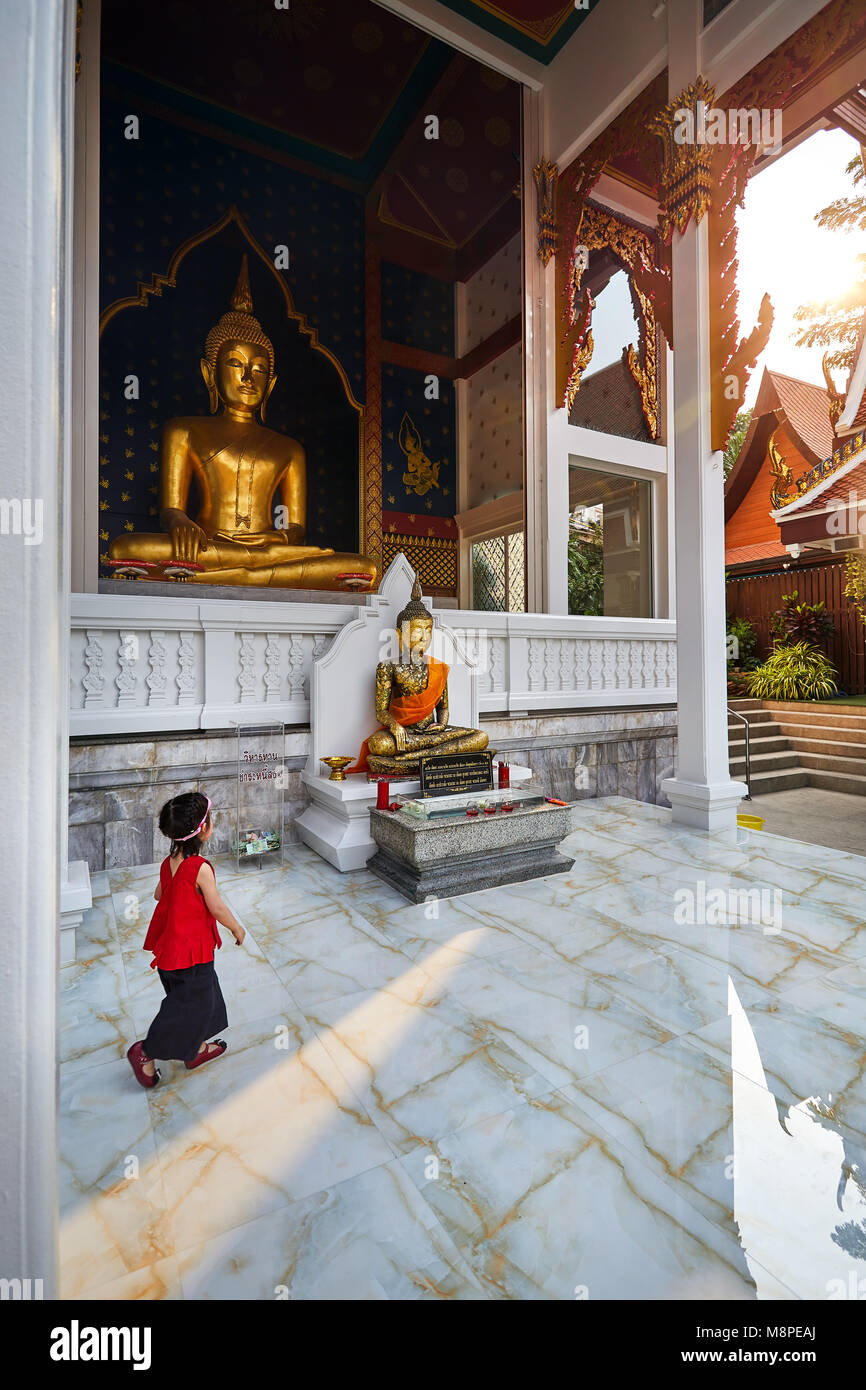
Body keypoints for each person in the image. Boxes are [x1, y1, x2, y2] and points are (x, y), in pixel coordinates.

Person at [126, 792, 245, 1089]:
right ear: (204, 829)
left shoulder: (170, 862)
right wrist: (236, 928)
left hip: (173, 952)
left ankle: (196, 1049)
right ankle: (146, 1052)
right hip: (190, 953)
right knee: (189, 1007)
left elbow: (158, 894)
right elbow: (216, 907)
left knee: (203, 999)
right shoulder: (200, 868)